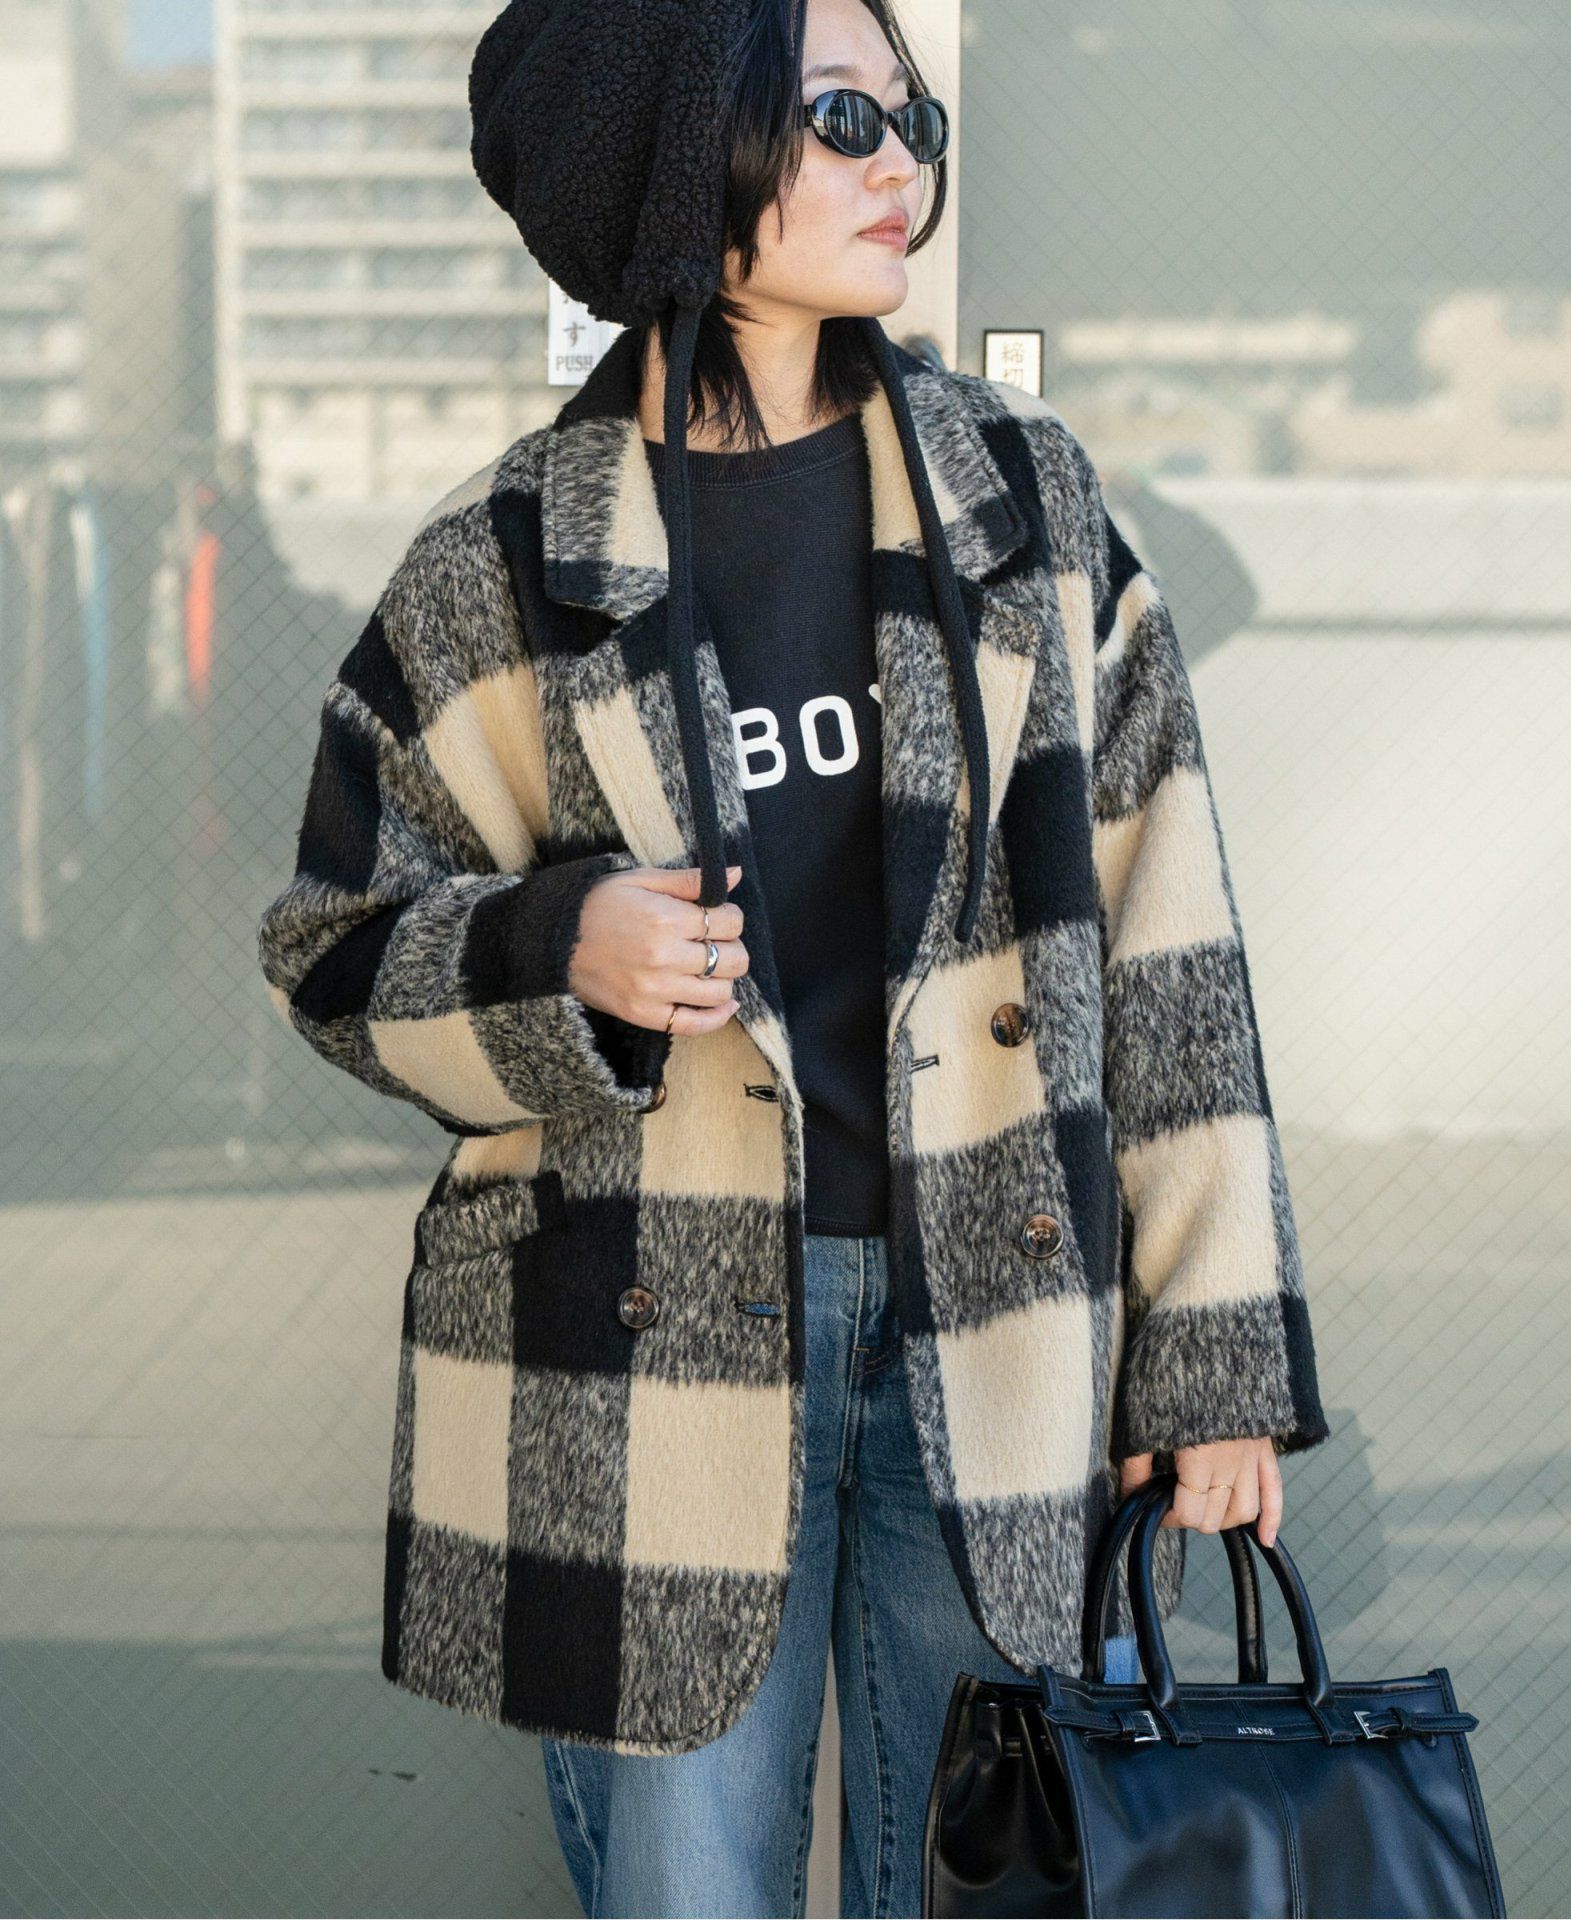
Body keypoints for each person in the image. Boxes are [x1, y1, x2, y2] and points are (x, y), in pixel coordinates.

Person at [257, 0, 1330, 1913]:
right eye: (842, 115)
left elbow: (1171, 943)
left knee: (995, 1879)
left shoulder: (1024, 505)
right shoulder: (502, 564)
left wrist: (1212, 1363)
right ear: (691, 146)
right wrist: (559, 949)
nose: (900, 158)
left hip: (996, 1323)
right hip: (641, 1349)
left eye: (911, 115)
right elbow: (337, 952)